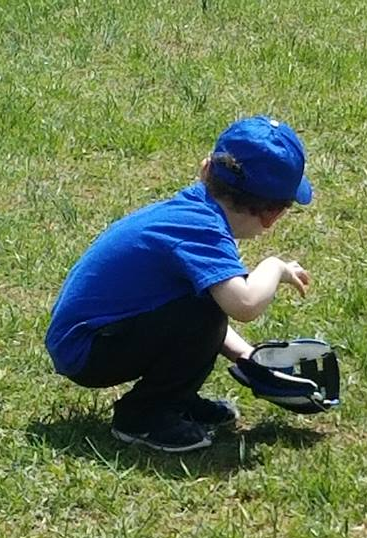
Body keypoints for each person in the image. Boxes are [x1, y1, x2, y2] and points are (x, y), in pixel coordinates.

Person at [45, 115, 313, 453]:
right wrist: (274, 267)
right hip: (88, 349)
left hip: (91, 337)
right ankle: (143, 416)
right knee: (206, 312)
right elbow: (243, 304)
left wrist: (246, 357)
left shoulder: (195, 209)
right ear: (273, 215)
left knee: (204, 307)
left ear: (206, 170)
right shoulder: (201, 229)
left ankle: (174, 402)